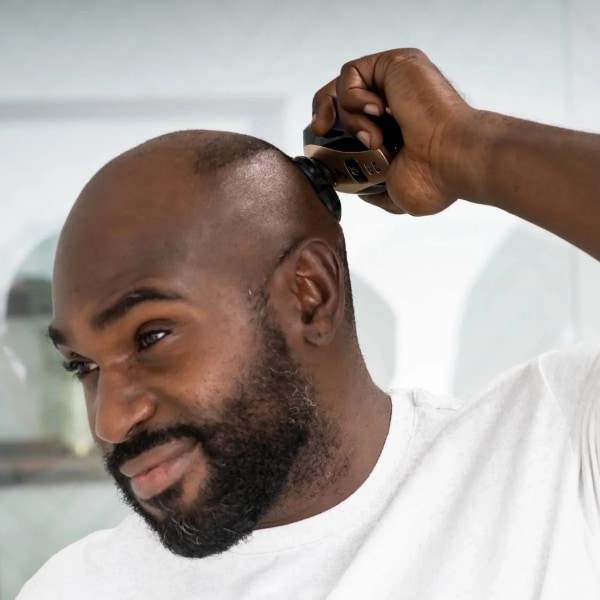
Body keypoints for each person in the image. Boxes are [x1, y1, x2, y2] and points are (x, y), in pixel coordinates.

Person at [18, 48, 599, 599]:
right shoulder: (75, 589)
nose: (111, 421)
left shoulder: (555, 452)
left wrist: (469, 146)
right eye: (82, 366)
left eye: (152, 337)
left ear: (310, 295)